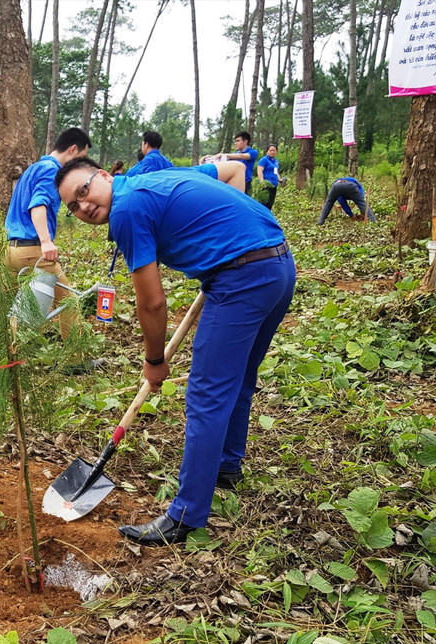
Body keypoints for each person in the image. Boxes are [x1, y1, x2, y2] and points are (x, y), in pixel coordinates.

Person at [55, 157, 295, 545]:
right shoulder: (151, 179)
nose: (83, 206)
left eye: (83, 191)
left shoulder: (127, 210)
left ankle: (185, 515)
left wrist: (155, 361)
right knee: (238, 378)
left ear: (103, 176)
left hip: (243, 278)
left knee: (206, 394)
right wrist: (226, 239)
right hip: (278, 265)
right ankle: (226, 466)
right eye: (72, 206)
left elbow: (151, 303)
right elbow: (231, 171)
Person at [0, 127, 97, 365]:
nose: (79, 168)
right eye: (79, 160)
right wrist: (46, 241)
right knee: (68, 301)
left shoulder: (33, 168)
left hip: (10, 249)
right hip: (34, 250)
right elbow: (38, 205)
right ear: (72, 149)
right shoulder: (52, 172)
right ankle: (75, 362)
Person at [216, 131, 259, 196]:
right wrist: (208, 157)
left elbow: (242, 156)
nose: (235, 143)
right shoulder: (234, 154)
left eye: (238, 141)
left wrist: (225, 155)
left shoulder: (253, 152)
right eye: (235, 141)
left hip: (245, 182)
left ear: (245, 141)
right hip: (234, 181)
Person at [257, 144, 280, 211]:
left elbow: (276, 172)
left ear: (276, 151)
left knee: (270, 203)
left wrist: (280, 180)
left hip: (274, 185)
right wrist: (262, 182)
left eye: (274, 150)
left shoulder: (275, 161)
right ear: (267, 151)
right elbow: (259, 171)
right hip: (266, 185)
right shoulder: (264, 160)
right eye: (270, 150)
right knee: (264, 204)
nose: (272, 152)